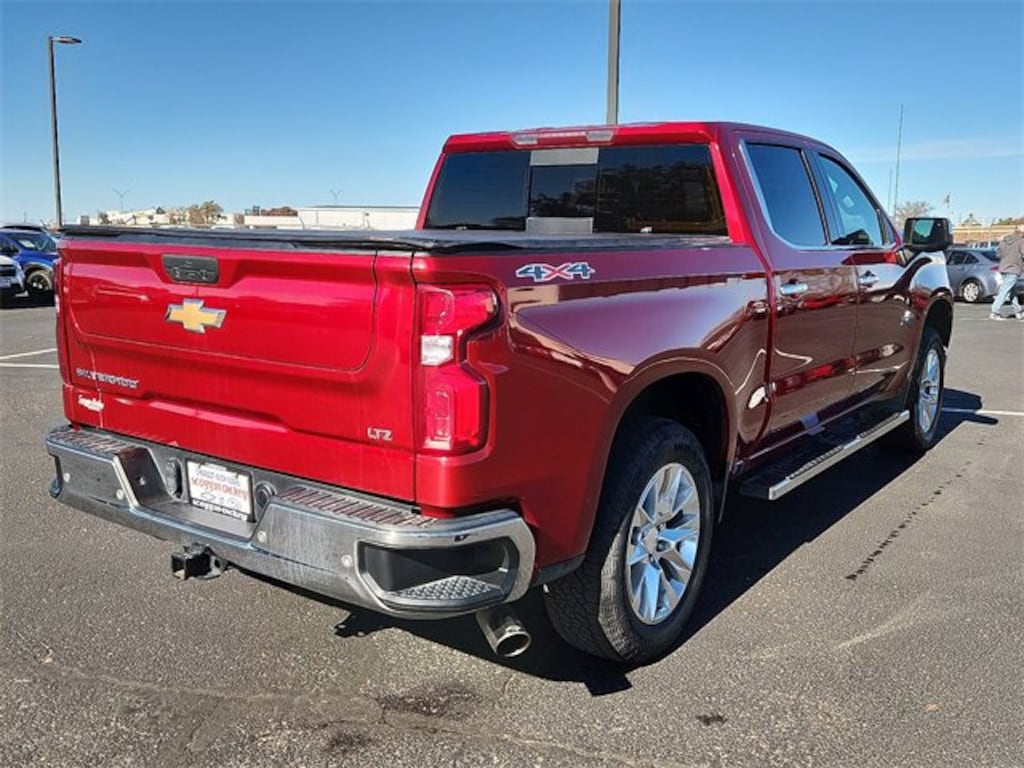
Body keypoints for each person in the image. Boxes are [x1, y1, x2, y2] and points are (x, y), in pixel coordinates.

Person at [990, 223, 1024, 320]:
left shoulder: (1004, 240)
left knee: (1012, 291)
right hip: (1014, 268)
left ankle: (1018, 311)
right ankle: (995, 311)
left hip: (1004, 268)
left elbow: (998, 254)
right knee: (1004, 291)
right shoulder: (1021, 241)